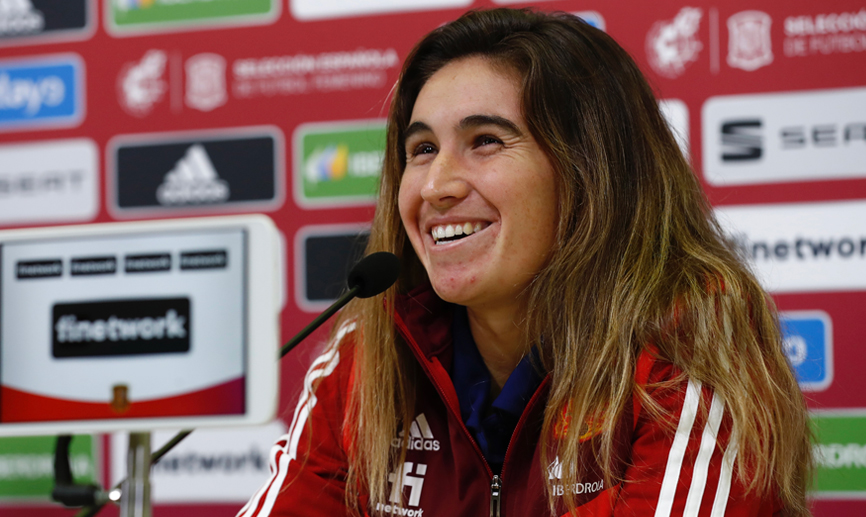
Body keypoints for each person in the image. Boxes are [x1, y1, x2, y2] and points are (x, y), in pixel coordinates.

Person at [239, 8, 812, 517]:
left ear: (590, 172)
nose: (436, 186)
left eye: (486, 140)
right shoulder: (363, 358)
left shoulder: (688, 345)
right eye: (422, 150)